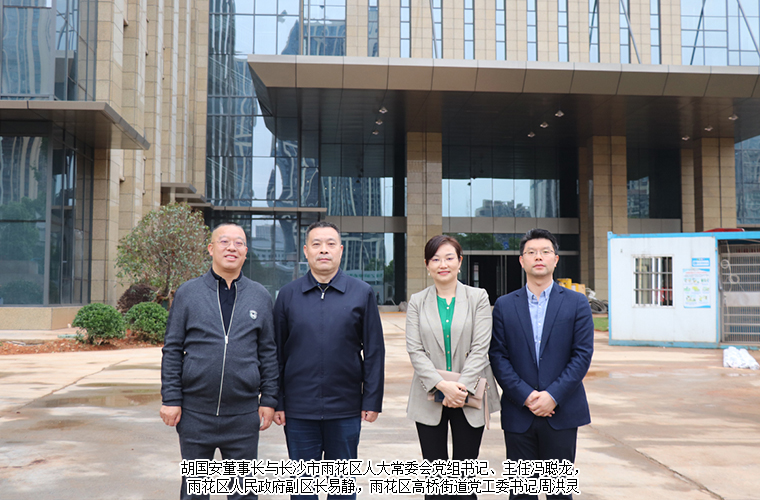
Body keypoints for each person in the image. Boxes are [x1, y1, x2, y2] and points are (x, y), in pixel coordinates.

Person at [160, 222, 278, 500]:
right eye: (224, 242)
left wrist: (269, 399)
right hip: (195, 414)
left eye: (239, 243)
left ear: (246, 251)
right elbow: (173, 349)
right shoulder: (188, 293)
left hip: (243, 416)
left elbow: (268, 352)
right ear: (211, 249)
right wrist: (171, 398)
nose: (231, 247)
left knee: (243, 493)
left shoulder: (260, 296)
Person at [273, 221, 385, 500]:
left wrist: (371, 400)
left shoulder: (361, 292)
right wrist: (278, 401)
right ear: (305, 251)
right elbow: (275, 353)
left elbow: (374, 351)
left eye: (330, 244)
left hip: (345, 408)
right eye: (317, 244)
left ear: (341, 250)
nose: (324, 250)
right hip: (299, 410)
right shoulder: (288, 295)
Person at [489, 228, 594, 500]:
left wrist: (552, 396)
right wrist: (526, 396)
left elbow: (582, 355)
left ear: (555, 260)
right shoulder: (504, 305)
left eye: (545, 252)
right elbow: (498, 356)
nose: (539, 257)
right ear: (521, 260)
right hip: (519, 413)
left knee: (559, 493)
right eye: (532, 252)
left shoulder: (577, 303)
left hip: (562, 411)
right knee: (521, 494)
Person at [405, 235, 500, 500]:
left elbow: (481, 348)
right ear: (427, 265)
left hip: (469, 394)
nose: (443, 264)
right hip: (429, 393)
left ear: (460, 261)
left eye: (449, 258)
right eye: (436, 259)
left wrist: (460, 388)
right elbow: (415, 350)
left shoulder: (478, 297)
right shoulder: (417, 301)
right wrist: (442, 386)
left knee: (464, 482)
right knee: (435, 483)